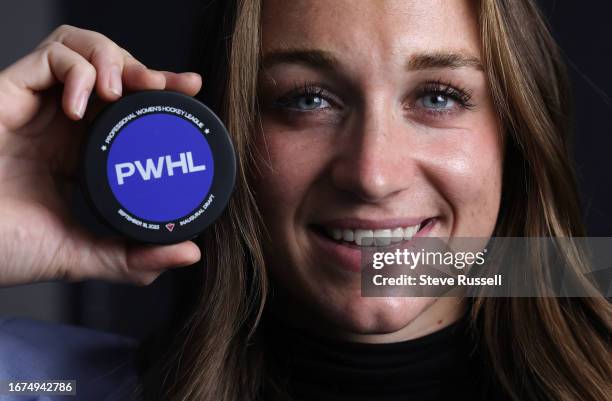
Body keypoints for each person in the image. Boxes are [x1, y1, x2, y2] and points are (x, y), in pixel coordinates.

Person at [0, 0, 610, 400]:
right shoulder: (39, 384)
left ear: (517, 136)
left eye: (438, 97)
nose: (372, 174)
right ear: (226, 136)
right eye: (308, 100)